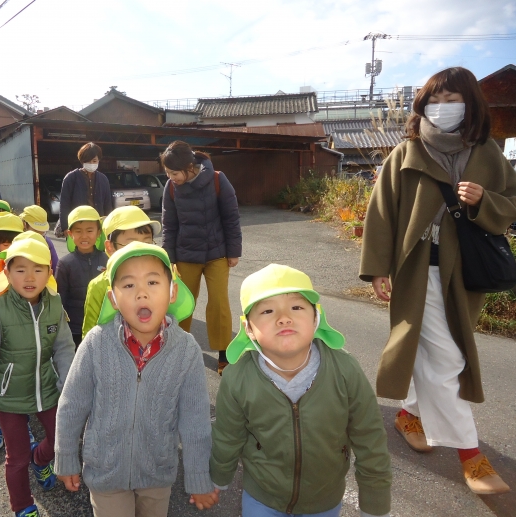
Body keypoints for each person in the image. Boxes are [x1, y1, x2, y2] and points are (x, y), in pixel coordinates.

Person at [360, 67, 516, 495]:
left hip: (465, 273)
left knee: (436, 355)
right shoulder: (407, 152)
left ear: (471, 106)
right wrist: (377, 267)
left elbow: (512, 202)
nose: (443, 108)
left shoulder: (487, 154)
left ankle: (410, 413)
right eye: (435, 99)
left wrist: (486, 201)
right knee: (448, 359)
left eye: (453, 100)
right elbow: (381, 212)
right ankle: (471, 457)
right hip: (416, 271)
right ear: (423, 105)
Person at [210, 264, 392, 517]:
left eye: (297, 307)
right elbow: (227, 436)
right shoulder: (237, 377)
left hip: (324, 501)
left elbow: (369, 438)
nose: (284, 317)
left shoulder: (344, 370)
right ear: (248, 328)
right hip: (262, 498)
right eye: (267, 310)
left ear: (316, 317)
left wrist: (375, 503)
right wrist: (217, 479)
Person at [55, 242, 216, 516]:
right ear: (113, 298)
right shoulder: (96, 343)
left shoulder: (186, 349)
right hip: (105, 472)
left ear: (173, 291)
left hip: (157, 472)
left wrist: (199, 476)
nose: (142, 293)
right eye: (128, 285)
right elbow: (72, 404)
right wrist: (66, 456)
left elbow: (195, 419)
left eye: (153, 282)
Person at [0, 236, 75, 517]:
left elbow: (63, 349)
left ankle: (41, 459)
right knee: (16, 457)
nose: (29, 277)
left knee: (61, 439)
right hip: (7, 396)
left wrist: (70, 387)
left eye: (38, 269)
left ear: (49, 273)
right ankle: (23, 506)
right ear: (7, 273)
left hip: (45, 388)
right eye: (20, 269)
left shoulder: (54, 304)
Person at [160, 140, 242, 375]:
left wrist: (234, 251)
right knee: (182, 304)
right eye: (167, 172)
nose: (171, 177)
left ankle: (224, 355)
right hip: (186, 254)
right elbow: (169, 225)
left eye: (174, 172)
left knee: (218, 303)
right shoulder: (171, 188)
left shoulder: (217, 179)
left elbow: (231, 217)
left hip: (217, 253)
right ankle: (177, 350)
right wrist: (169, 257)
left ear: (189, 167)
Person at [81, 206, 160, 338]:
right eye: (131, 244)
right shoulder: (99, 286)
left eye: (147, 242)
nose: (140, 250)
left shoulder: (160, 278)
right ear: (110, 247)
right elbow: (89, 333)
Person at [55, 206, 107, 346]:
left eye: (90, 231)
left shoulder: (108, 259)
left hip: (103, 326)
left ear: (98, 233)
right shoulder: (65, 264)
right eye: (78, 231)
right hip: (74, 330)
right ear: (70, 234)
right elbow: (60, 300)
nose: (84, 236)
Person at [58, 142, 112, 235]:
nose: (91, 163)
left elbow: (107, 204)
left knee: (99, 249)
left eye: (94, 161)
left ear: (99, 160)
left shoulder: (103, 179)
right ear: (82, 161)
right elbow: (64, 205)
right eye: (88, 161)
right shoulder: (71, 178)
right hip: (77, 224)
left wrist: (109, 224)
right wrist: (65, 227)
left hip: (98, 226)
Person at [20, 205, 58, 273]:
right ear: (24, 224)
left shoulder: (47, 243)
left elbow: (56, 269)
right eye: (35, 230)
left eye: (42, 232)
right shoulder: (16, 242)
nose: (39, 235)